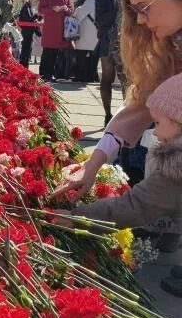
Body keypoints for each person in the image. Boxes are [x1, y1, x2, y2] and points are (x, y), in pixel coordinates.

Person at [53, 0, 182, 249]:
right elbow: (135, 110)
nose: (138, 19)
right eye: (133, 10)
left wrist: (79, 218)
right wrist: (90, 167)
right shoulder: (170, 47)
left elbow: (144, 203)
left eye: (144, 8)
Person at [55, 72, 182, 297]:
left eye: (159, 123)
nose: (156, 133)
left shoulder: (175, 169)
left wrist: (75, 218)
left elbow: (132, 207)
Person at [96, 0, 126, 125]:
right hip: (108, 39)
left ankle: (124, 117)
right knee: (107, 76)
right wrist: (117, 10)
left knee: (126, 80)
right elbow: (99, 19)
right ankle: (107, 114)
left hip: (127, 41)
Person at [38, 0, 74, 82]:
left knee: (56, 54)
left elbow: (72, 11)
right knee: (47, 52)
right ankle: (44, 75)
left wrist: (65, 9)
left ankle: (52, 75)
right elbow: (40, 10)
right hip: (49, 29)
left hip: (61, 30)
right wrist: (53, 9)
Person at [73, 0, 100, 82]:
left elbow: (78, 18)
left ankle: (81, 77)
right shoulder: (100, 3)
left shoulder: (88, 3)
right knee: (93, 60)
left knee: (81, 59)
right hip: (96, 37)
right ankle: (92, 77)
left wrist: (76, 12)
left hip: (85, 37)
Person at [18, 0, 43, 68]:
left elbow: (33, 21)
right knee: (25, 51)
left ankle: (25, 67)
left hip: (30, 33)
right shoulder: (26, 7)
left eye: (38, 1)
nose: (37, 2)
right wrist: (36, 15)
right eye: (36, 0)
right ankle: (23, 67)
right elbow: (28, 20)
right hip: (26, 33)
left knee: (28, 51)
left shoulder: (31, 8)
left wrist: (40, 17)